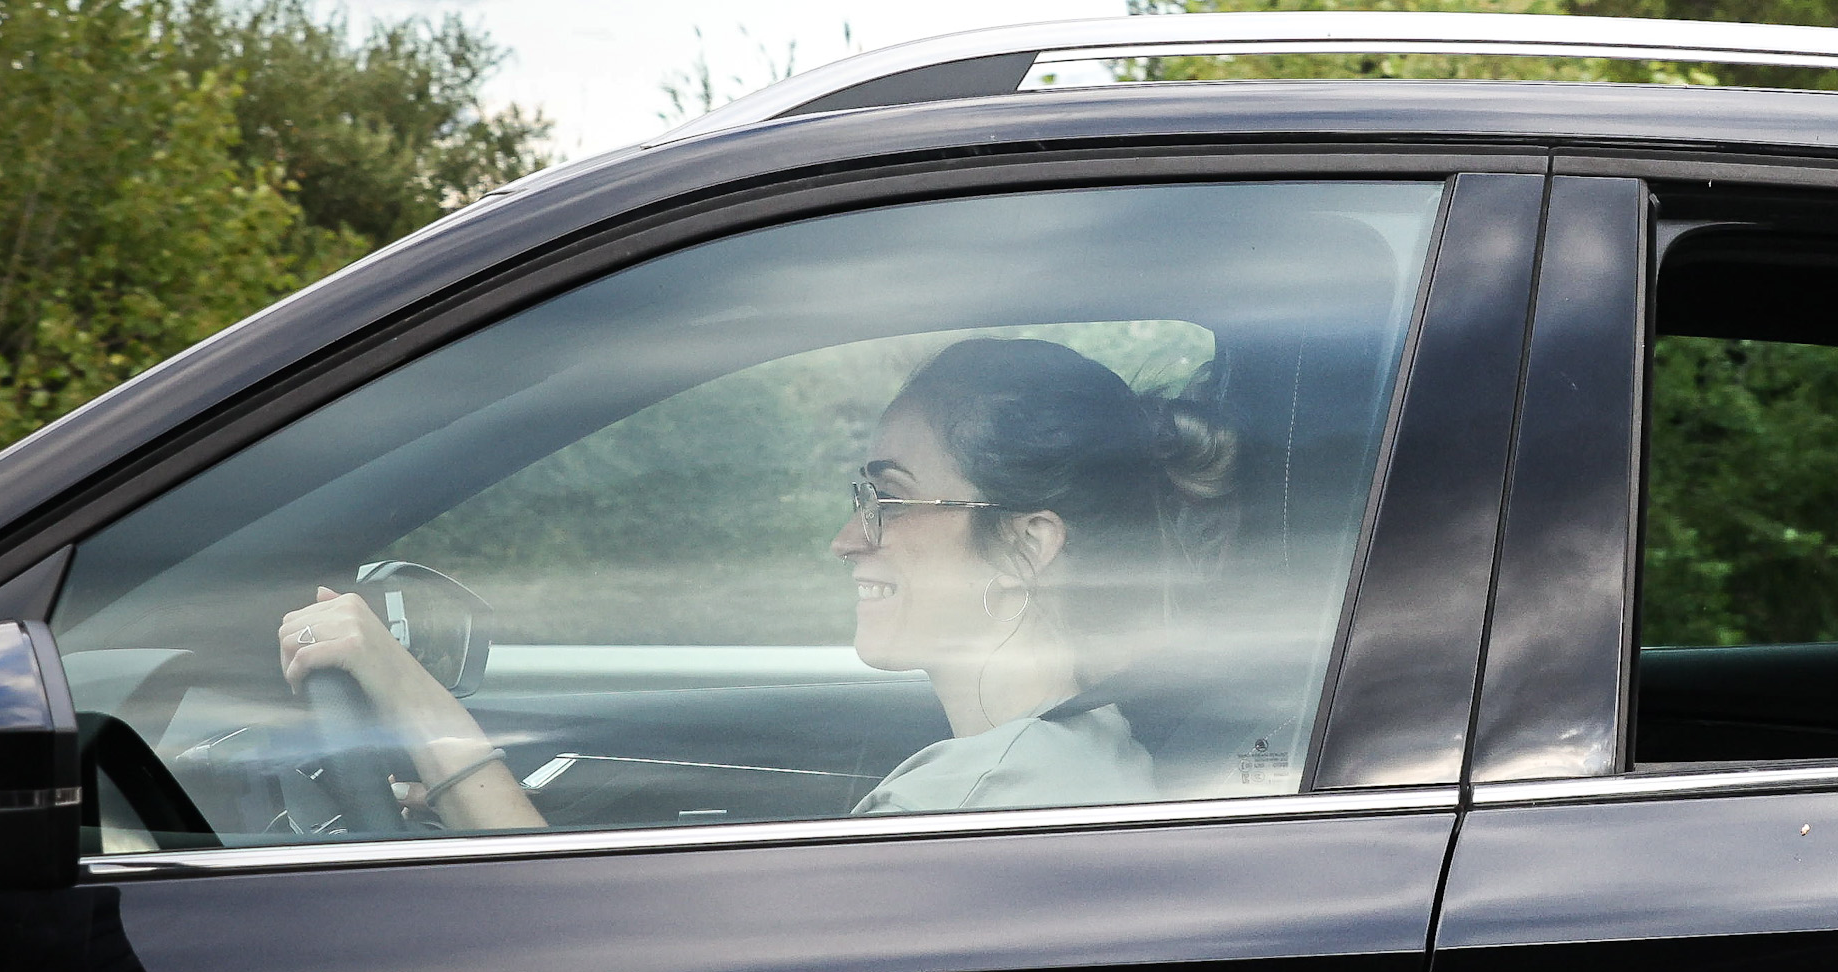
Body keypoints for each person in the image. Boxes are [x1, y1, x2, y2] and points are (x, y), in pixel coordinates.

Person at [274, 336, 1233, 830]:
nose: (845, 539)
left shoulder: (984, 805)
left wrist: (412, 698)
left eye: (888, 502)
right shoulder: (1060, 758)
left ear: (1026, 546)